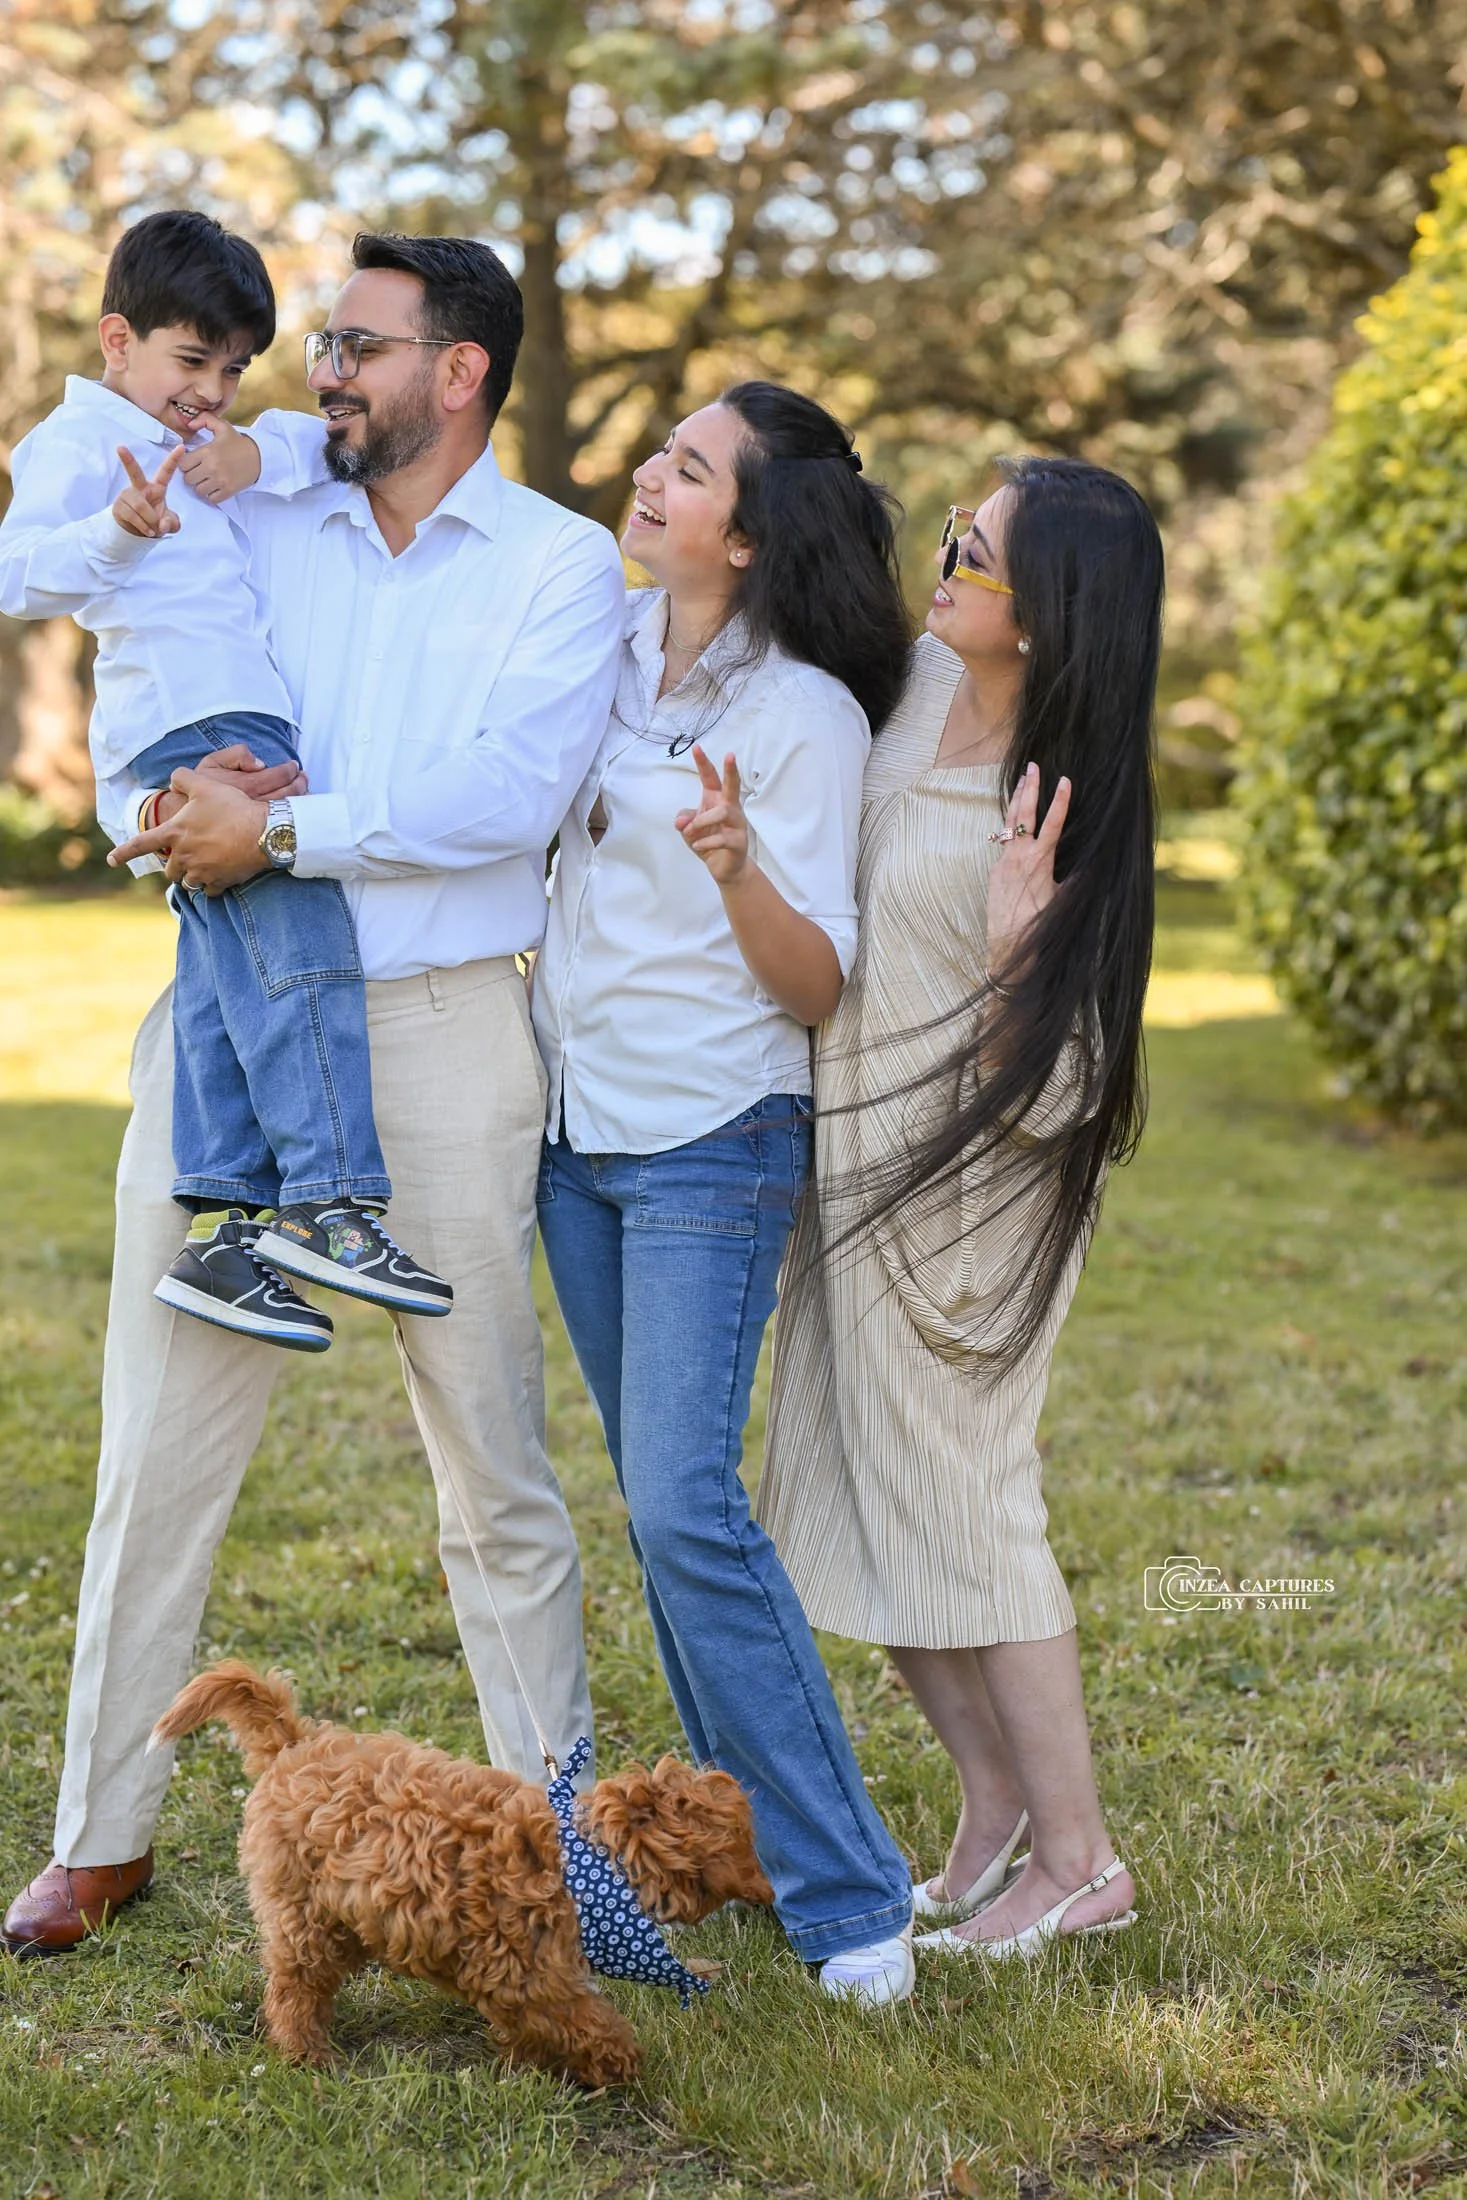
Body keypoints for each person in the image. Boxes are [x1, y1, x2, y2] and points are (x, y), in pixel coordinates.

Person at [1, 231, 626, 1956]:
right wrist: (164, 818)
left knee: (493, 1469)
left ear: (461, 372)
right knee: (154, 1453)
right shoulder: (253, 499)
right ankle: (100, 1833)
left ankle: (560, 1846)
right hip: (227, 1024)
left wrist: (277, 832)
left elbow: (505, 795)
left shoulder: (560, 565)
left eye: (358, 346)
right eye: (324, 345)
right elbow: (139, 657)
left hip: (443, 1034)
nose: (318, 374)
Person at [531, 381, 920, 2005]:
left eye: (686, 467)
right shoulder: (602, 644)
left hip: (710, 1130)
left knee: (689, 1508)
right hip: (574, 1135)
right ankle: (743, 1841)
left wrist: (737, 866)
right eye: (663, 451)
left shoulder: (806, 715)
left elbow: (815, 981)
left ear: (747, 536)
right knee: (657, 1508)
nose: (647, 473)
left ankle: (853, 1896)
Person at [759, 460, 1163, 1958]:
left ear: (1045, 611)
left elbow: (1063, 1096)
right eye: (953, 534)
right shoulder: (923, 685)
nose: (944, 563)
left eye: (975, 555)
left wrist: (1011, 951)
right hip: (854, 1162)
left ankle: (1082, 1862)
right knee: (854, 1486)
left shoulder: (1062, 799)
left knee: (974, 1514)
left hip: (970, 1203)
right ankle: (993, 1803)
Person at [0, 210, 450, 1351]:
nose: (211, 392)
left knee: (221, 976)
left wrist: (255, 455)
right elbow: (15, 576)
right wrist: (116, 531)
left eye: (235, 370)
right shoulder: (78, 441)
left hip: (232, 718)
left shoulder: (213, 442)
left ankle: (223, 1230)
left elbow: (318, 450)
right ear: (118, 340)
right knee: (302, 936)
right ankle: (332, 1202)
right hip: (190, 723)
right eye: (192, 361)